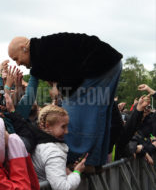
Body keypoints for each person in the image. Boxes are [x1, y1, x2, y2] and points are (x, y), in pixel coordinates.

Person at [8, 33, 123, 166]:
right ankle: (94, 161)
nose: (18, 63)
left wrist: (61, 88)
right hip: (111, 63)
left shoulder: (42, 53)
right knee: (101, 116)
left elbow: (69, 72)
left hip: (99, 65)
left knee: (69, 116)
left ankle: (72, 159)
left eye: (16, 58)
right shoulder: (42, 50)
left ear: (24, 48)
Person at [32, 105, 86, 190]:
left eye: (67, 126)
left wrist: (65, 170)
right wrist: (77, 172)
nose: (67, 131)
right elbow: (62, 187)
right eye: (63, 126)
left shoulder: (37, 142)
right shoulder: (53, 152)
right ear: (47, 126)